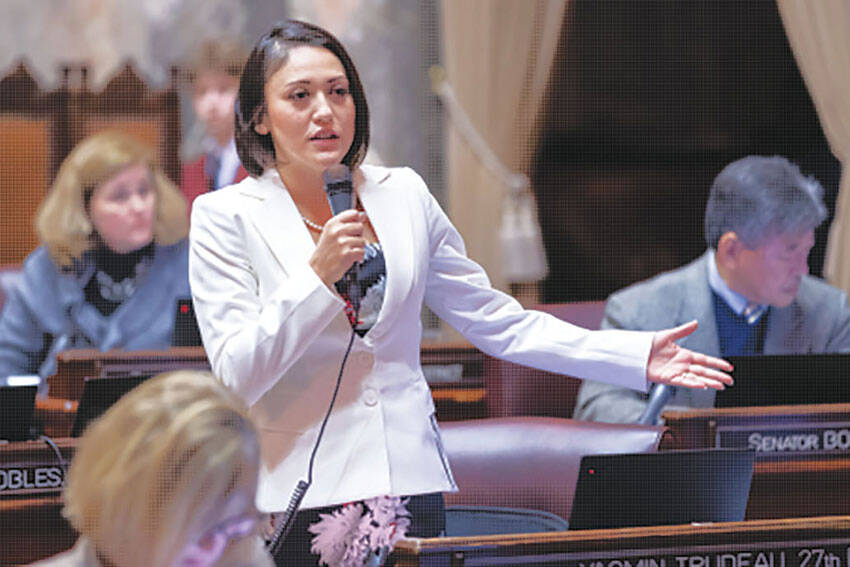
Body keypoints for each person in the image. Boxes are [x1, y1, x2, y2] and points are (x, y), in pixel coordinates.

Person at [188, 19, 731, 565]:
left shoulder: (402, 195)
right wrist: (316, 277)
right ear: (259, 116)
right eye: (300, 96)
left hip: (407, 484)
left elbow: (499, 322)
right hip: (298, 491)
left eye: (338, 91)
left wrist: (634, 354)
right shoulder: (225, 217)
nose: (325, 111)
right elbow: (236, 373)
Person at [574, 155, 850, 424]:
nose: (803, 270)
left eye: (807, 251)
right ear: (731, 250)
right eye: (789, 253)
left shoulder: (829, 312)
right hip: (684, 470)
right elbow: (597, 406)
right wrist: (683, 433)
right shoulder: (639, 311)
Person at [0, 131, 190, 387]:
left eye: (144, 191)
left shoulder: (187, 263)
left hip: (161, 420)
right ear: (84, 208)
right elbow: (8, 369)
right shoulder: (47, 269)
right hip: (61, 422)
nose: (138, 206)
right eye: (120, 196)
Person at [29, 370, 274, 567]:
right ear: (126, 502)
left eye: (232, 529)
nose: (213, 550)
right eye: (199, 526)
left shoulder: (246, 557)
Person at [180, 39, 250, 212]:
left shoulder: (265, 164)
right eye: (201, 92)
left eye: (224, 90)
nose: (211, 103)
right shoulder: (192, 170)